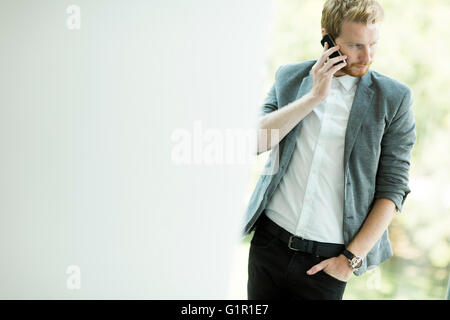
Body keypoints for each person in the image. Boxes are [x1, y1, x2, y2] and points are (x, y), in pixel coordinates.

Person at [243, 0, 417, 300]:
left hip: (327, 265)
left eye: (373, 44)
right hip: (268, 247)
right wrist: (313, 97)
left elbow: (393, 189)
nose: (367, 56)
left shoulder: (394, 99)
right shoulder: (290, 78)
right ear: (328, 38)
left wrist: (349, 261)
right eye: (355, 45)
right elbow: (254, 142)